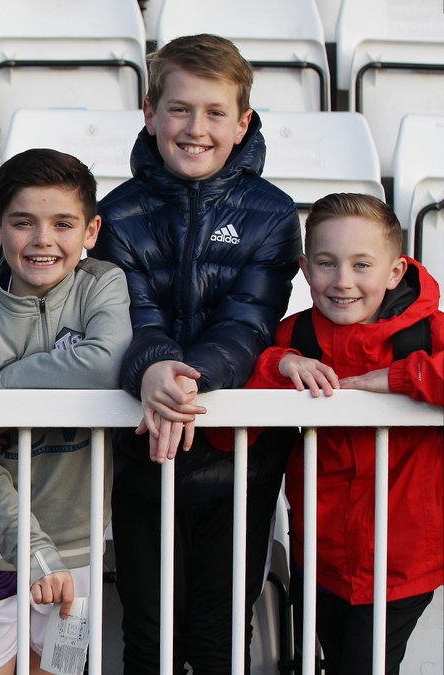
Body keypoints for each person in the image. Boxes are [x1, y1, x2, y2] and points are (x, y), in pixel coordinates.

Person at [90, 34, 302, 673]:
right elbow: (129, 316)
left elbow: (249, 324)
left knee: (219, 635)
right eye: (179, 109)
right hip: (140, 451)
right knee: (148, 637)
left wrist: (186, 380)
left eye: (214, 113)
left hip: (240, 460)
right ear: (150, 112)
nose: (195, 128)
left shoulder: (272, 214)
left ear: (243, 124)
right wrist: (153, 366)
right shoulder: (117, 215)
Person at [0, 148, 132, 675]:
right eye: (24, 222)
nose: (43, 239)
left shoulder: (102, 284)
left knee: (62, 668)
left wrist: (2, 390)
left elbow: (109, 364)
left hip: (78, 542)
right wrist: (31, 549)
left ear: (90, 232)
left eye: (63, 223)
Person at [235, 193, 442, 675]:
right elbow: (236, 407)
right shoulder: (295, 337)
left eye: (362, 264)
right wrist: (279, 363)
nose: (343, 282)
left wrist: (398, 378)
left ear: (395, 272)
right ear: (305, 269)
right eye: (327, 264)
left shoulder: (428, 335)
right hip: (319, 559)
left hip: (401, 565)